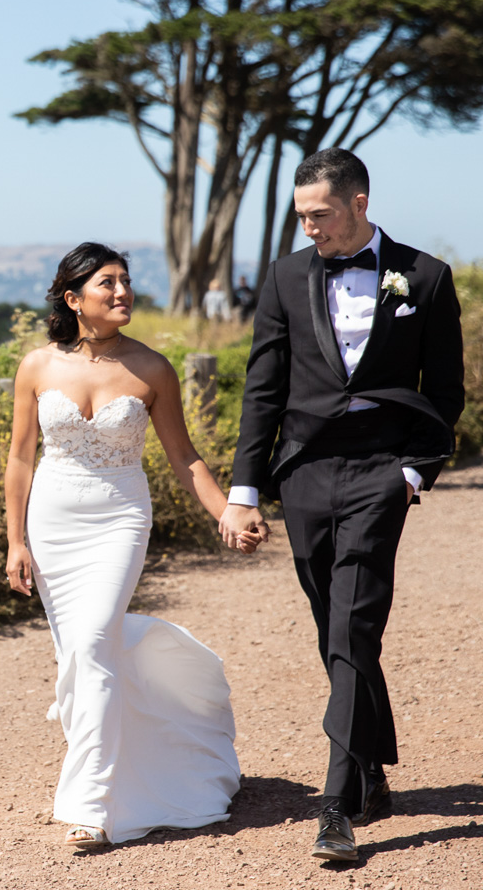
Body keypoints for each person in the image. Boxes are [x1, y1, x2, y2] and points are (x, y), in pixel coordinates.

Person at [218, 148, 464, 862]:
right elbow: (263, 388)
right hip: (304, 473)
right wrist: (244, 490)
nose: (309, 229)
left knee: (354, 619)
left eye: (319, 215)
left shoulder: (425, 276)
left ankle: (338, 805)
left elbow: (444, 390)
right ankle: (371, 765)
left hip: (380, 474)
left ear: (360, 203)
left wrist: (415, 473)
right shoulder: (286, 276)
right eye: (301, 217)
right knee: (337, 626)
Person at [4, 242, 251, 850]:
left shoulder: (153, 369)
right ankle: (140, 765)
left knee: (90, 644)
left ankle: (90, 805)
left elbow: (185, 458)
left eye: (126, 282)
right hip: (53, 522)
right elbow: (18, 457)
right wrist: (15, 542)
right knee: (84, 655)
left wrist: (230, 514)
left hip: (119, 518)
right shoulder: (38, 365)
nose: (122, 293)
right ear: (73, 298)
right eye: (107, 284)